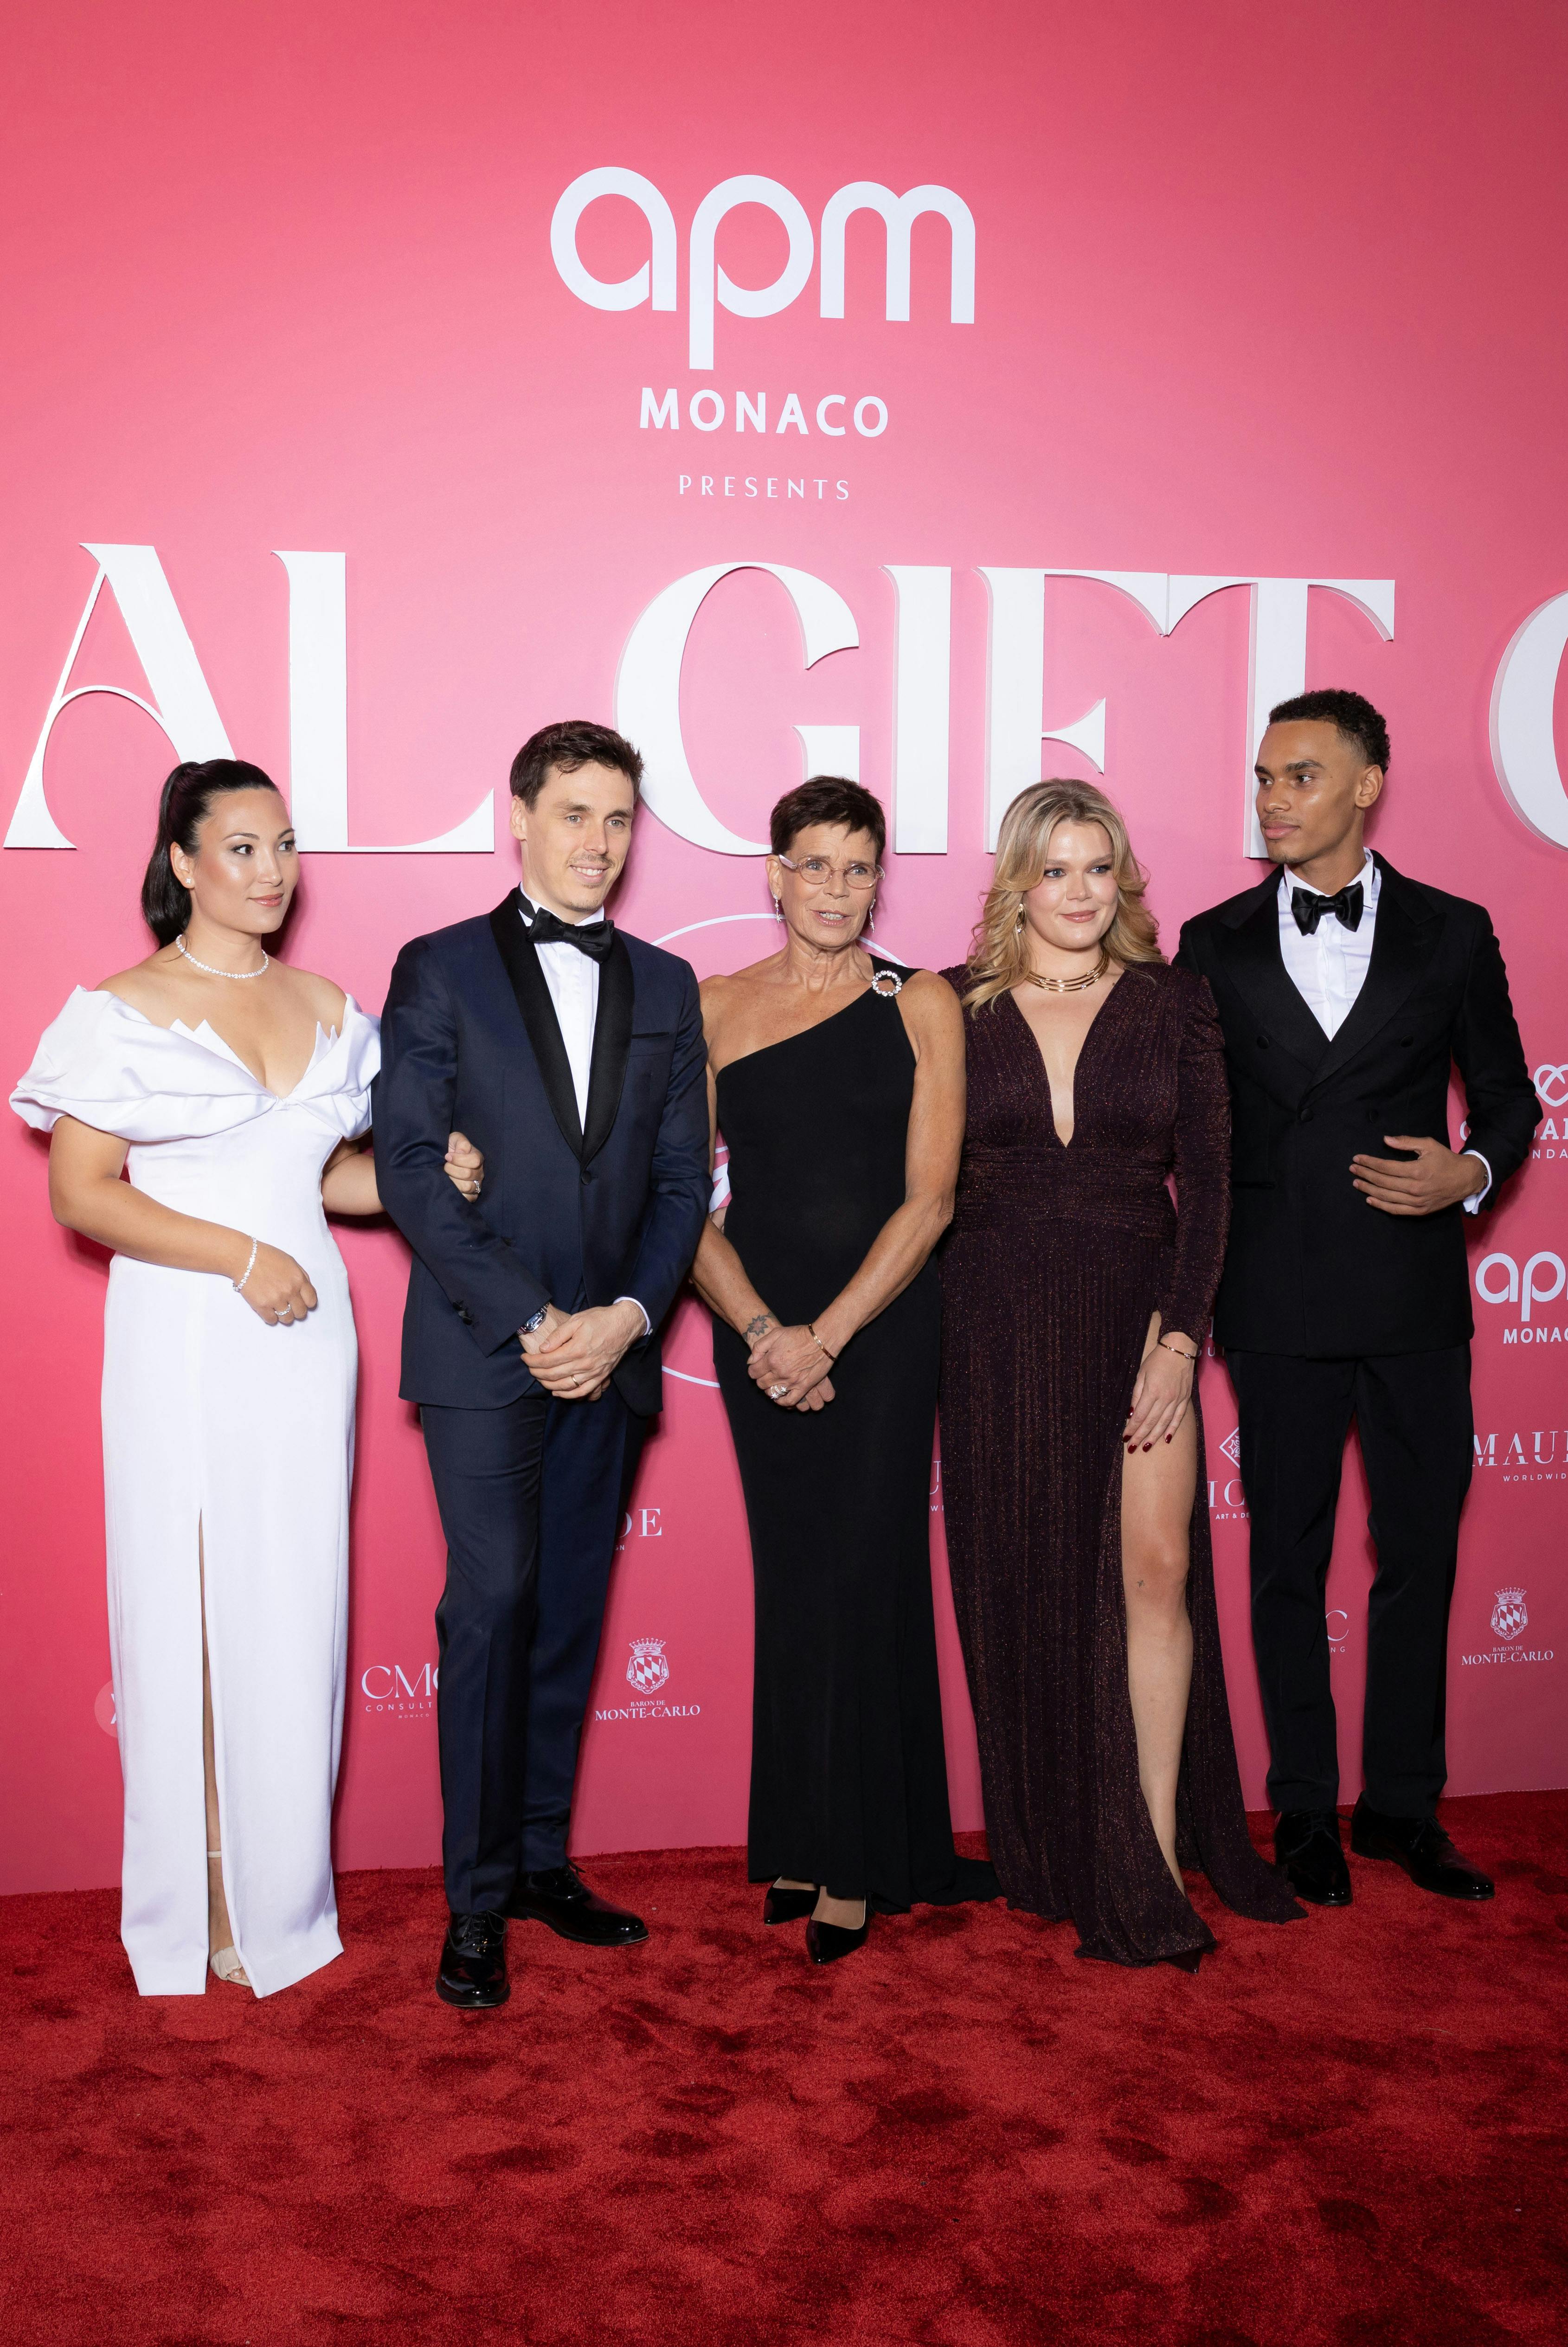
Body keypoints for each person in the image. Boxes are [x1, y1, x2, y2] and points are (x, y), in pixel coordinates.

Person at [10, 759, 483, 1998]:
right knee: (185, 1600)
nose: (271, 871)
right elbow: (82, 1192)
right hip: (182, 1329)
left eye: (282, 846)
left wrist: (431, 1181)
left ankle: (280, 1897)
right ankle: (199, 1888)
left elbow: (320, 1174)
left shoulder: (327, 1005)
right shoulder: (120, 1010)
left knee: (290, 1603)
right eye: (240, 849)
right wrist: (238, 1255)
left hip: (304, 1337)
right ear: (180, 862)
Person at [1176, 689, 1539, 1907]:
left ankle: (1398, 1806)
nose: (1272, 799)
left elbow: (1506, 1098)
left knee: (1419, 1555)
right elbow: (1194, 1126)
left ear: (1366, 783)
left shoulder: (1450, 930)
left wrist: (1469, 1171)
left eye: (1298, 777)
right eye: (1264, 777)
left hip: (1410, 1298)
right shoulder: (1211, 938)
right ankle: (1301, 1812)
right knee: (1283, 1559)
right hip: (1274, 1298)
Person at [373, 720, 709, 2011]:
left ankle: (539, 1862)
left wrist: (625, 1317)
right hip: (482, 1351)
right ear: (518, 817)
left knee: (569, 1615)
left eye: (620, 818)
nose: (598, 843)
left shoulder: (669, 987)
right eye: (574, 813)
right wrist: (534, 1322)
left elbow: (682, 1183)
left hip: (614, 1351)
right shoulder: (440, 967)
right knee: (492, 1606)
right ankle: (471, 1906)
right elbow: (410, 1168)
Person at [938, 780, 1301, 1969]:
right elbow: (908, 1180)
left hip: (1138, 1318)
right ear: (1017, 882)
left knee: (1157, 1570)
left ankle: (1143, 1844)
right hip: (993, 1322)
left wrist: (1180, 1337)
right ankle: (1047, 1836)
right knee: (1030, 1578)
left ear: (1123, 880)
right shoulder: (949, 1007)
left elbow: (1207, 1187)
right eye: (1056, 869)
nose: (1081, 892)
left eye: (1100, 868)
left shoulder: (1174, 1003)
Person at [692, 777, 997, 1966]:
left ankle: (866, 1855)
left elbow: (931, 1198)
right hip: (754, 1326)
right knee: (797, 1577)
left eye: (857, 867)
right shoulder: (713, 1007)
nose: (834, 888)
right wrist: (769, 1330)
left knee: (867, 1573)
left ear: (880, 879)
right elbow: (681, 1202)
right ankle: (809, 1838)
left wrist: (829, 1334)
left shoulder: (921, 1000)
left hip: (882, 1329)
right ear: (773, 873)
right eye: (812, 865)